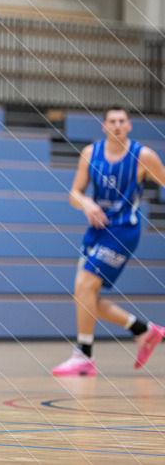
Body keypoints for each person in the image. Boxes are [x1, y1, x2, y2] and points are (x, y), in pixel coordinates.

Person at [51, 107, 165, 377]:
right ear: (103, 126)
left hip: (123, 231)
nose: (116, 125)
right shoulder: (90, 154)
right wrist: (87, 202)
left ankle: (84, 356)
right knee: (84, 296)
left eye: (121, 121)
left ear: (129, 126)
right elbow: (74, 194)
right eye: (111, 121)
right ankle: (143, 330)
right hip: (97, 230)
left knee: (83, 285)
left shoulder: (143, 156)